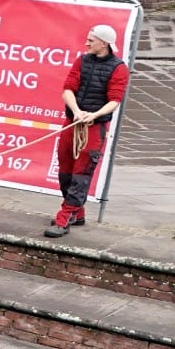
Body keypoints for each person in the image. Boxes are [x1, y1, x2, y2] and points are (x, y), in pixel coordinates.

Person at [46, 22, 127, 237]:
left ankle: (64, 218)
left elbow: (114, 99)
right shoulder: (81, 61)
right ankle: (77, 212)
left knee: (81, 173)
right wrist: (76, 110)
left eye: (91, 40)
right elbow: (68, 89)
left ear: (103, 43)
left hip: (94, 128)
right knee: (65, 168)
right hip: (73, 122)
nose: (86, 43)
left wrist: (94, 115)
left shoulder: (119, 69)